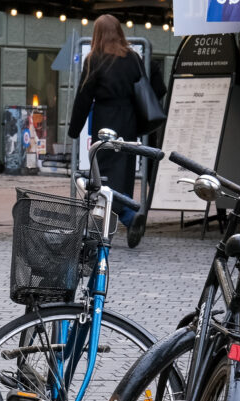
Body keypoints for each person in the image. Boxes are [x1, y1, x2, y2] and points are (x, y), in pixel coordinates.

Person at [67, 15, 146, 247]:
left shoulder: (95, 59)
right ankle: (122, 219)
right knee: (124, 175)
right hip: (129, 123)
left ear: (97, 34)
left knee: (103, 179)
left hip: (105, 124)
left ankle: (129, 217)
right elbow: (151, 87)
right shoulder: (133, 58)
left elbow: (84, 98)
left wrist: (74, 129)